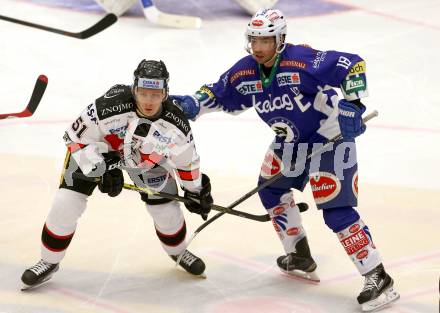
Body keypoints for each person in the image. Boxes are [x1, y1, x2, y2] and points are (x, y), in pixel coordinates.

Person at [172, 8, 399, 312]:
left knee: (337, 211)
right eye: (253, 39)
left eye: (265, 40)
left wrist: (353, 104)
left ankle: (377, 276)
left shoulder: (302, 61)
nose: (257, 47)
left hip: (328, 139)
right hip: (288, 143)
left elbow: (351, 64)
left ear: (280, 39)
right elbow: (219, 92)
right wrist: (193, 103)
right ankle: (299, 254)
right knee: (270, 190)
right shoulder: (246, 71)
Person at [21, 59, 213, 290]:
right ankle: (48, 262)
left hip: (146, 161)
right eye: (143, 93)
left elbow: (187, 163)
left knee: (165, 210)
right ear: (134, 90)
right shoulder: (107, 106)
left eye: (155, 94)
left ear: (165, 93)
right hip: (96, 153)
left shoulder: (176, 124)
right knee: (66, 203)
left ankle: (179, 252)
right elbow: (73, 138)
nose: (148, 100)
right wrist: (100, 169)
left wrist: (196, 192)